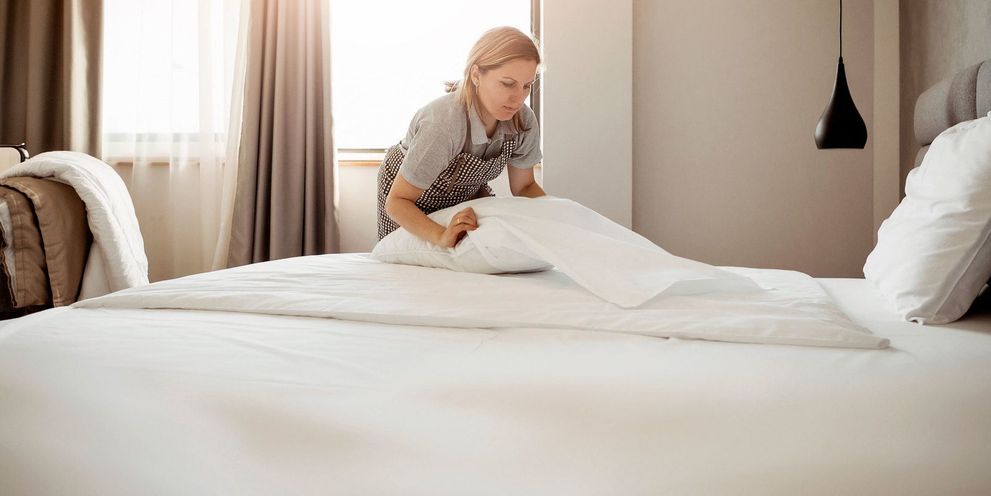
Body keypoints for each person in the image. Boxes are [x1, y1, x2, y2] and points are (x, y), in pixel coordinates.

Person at [377, 26, 545, 247]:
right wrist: (440, 235)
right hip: (407, 201)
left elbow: (524, 187)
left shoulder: (522, 121)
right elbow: (397, 202)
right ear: (476, 75)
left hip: (464, 194)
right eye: (507, 83)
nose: (518, 98)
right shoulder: (443, 125)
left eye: (527, 86)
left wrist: (555, 217)